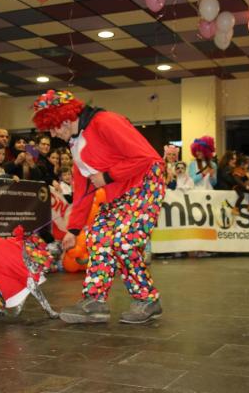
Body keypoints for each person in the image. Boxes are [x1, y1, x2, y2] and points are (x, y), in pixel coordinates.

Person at [32, 89, 165, 324]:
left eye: (53, 126)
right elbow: (83, 191)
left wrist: (108, 176)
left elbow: (146, 157)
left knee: (125, 240)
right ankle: (95, 303)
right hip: (118, 193)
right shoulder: (75, 144)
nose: (52, 133)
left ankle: (147, 300)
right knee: (98, 238)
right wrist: (73, 230)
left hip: (145, 184)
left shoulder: (105, 121)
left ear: (65, 118)